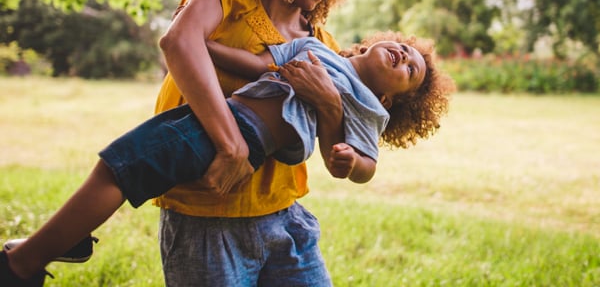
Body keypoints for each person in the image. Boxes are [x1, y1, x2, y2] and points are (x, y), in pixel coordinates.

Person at [6, 0, 358, 287]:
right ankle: (24, 262)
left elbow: (336, 146)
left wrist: (330, 102)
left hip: (283, 218)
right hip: (205, 216)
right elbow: (179, 40)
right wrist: (232, 145)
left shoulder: (321, 43)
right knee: (122, 166)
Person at [0, 32, 455, 286]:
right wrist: (201, 45)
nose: (403, 57)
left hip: (238, 138)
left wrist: (350, 163)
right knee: (124, 166)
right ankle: (50, 246)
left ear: (390, 100)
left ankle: (23, 264)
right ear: (369, 44)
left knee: (121, 167)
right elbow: (256, 65)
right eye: (404, 49)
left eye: (409, 69)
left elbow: (364, 164)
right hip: (218, 118)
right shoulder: (314, 47)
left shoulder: (368, 108)